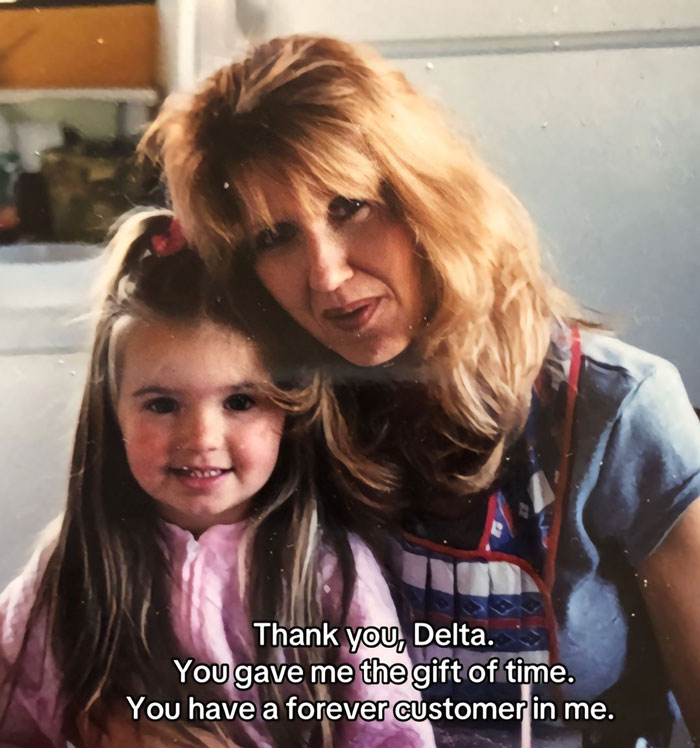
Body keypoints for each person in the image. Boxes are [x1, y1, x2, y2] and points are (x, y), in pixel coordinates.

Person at [142, 35, 700, 747]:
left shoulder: (620, 411)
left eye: (349, 207)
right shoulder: (275, 418)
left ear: (427, 195)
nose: (326, 275)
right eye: (275, 238)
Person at [0, 209, 435, 748]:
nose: (202, 436)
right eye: (162, 404)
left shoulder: (331, 574)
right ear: (112, 415)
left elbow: (395, 738)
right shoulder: (68, 568)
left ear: (289, 412)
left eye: (239, 401)